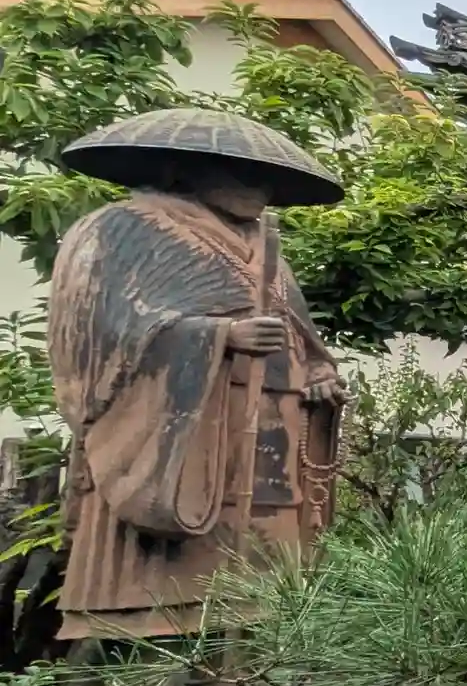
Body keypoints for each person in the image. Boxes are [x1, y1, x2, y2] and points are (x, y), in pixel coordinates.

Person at [48, 107, 345, 640]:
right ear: (183, 168)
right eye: (242, 172)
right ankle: (147, 682)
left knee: (260, 581)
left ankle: (244, 679)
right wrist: (217, 336)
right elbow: (99, 325)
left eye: (267, 177)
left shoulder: (267, 248)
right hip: (180, 433)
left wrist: (320, 372)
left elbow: (301, 334)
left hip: (270, 430)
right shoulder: (123, 227)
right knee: (164, 584)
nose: (259, 188)